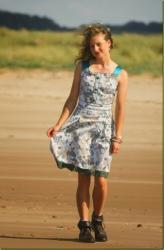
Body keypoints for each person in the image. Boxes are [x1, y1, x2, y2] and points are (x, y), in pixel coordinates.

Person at [47, 23, 128, 243]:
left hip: (103, 130)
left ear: (109, 43)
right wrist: (58, 124)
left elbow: (120, 109)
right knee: (83, 179)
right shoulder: (82, 67)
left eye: (99, 45)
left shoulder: (121, 74)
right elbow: (72, 99)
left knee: (101, 180)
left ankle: (98, 219)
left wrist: (117, 137)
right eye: (92, 46)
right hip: (81, 127)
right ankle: (84, 226)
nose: (96, 49)